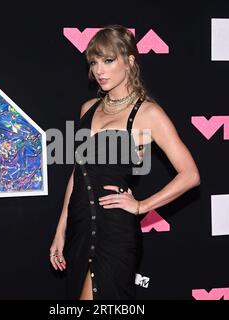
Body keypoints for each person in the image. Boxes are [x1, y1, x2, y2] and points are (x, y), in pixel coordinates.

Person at [49, 25, 201, 300]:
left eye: (108, 60)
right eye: (94, 62)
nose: (99, 70)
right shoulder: (88, 108)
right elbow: (78, 173)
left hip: (114, 231)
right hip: (79, 227)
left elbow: (190, 175)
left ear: (130, 61)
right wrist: (61, 230)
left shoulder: (148, 113)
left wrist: (143, 205)